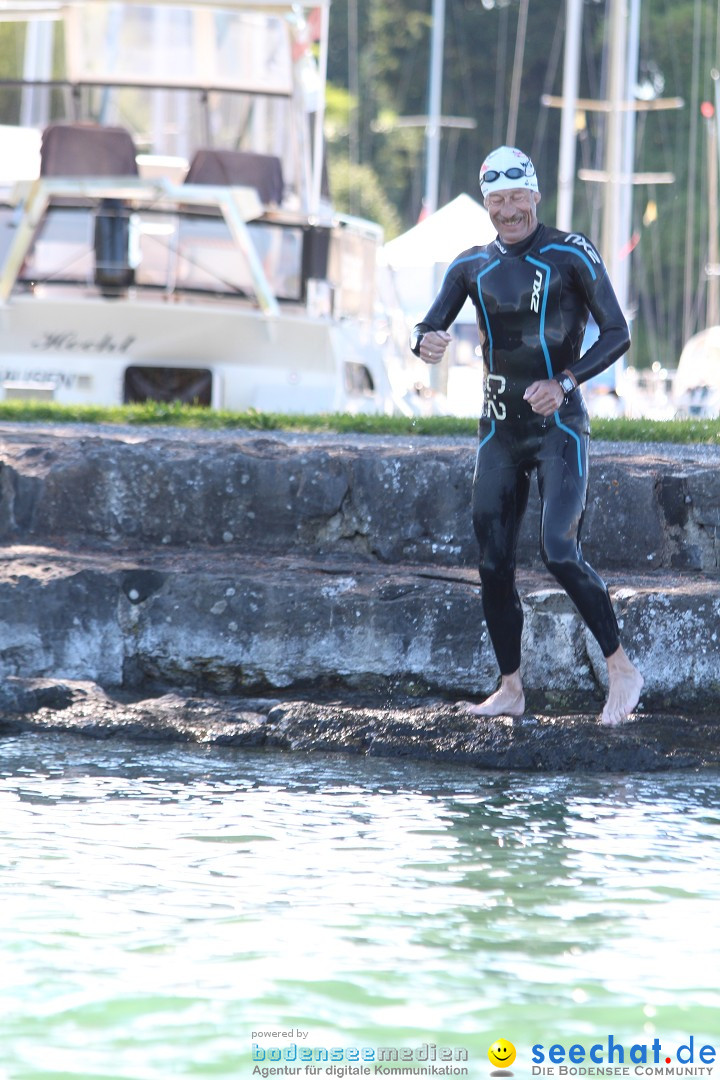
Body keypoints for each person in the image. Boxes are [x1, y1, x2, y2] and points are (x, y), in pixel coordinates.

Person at [410, 145, 643, 726]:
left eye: (517, 197)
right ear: (487, 203)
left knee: (559, 550)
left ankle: (621, 669)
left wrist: (564, 382)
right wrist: (424, 342)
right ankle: (511, 687)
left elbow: (617, 334)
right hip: (498, 433)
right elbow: (428, 325)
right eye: (497, 200)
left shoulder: (572, 252)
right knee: (492, 563)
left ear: (535, 195)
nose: (508, 210)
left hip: (558, 426)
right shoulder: (470, 266)